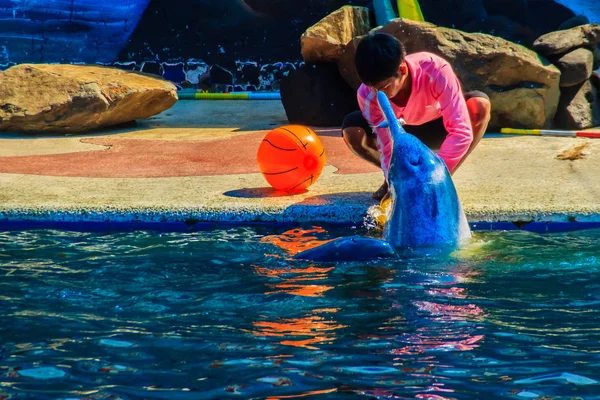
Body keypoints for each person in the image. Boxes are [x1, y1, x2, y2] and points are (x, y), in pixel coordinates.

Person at [341, 32, 491, 201]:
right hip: (401, 134)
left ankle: (445, 179)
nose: (378, 94)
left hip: (436, 127)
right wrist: (394, 180)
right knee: (352, 130)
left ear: (402, 69)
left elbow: (460, 131)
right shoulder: (367, 95)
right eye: (373, 88)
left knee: (479, 105)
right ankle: (398, 179)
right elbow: (386, 144)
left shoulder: (435, 70)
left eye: (383, 88)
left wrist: (433, 179)